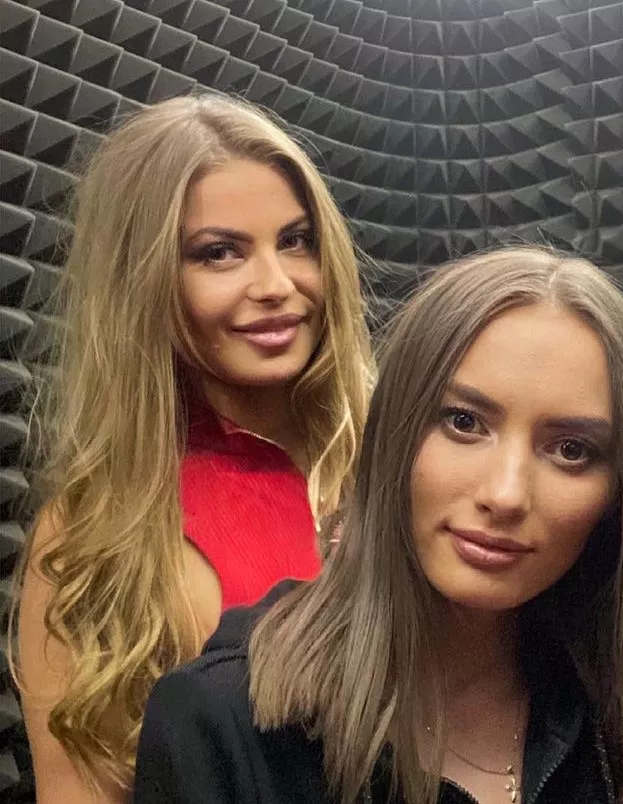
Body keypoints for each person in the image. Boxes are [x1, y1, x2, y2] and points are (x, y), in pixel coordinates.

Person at [131, 246, 623, 804]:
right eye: (464, 423)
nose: (505, 494)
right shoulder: (221, 723)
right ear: (395, 433)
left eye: (571, 450)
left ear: (617, 495)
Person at [12, 93, 376, 803]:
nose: (277, 285)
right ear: (144, 280)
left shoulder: (402, 464)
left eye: (296, 240)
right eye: (219, 253)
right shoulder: (96, 533)